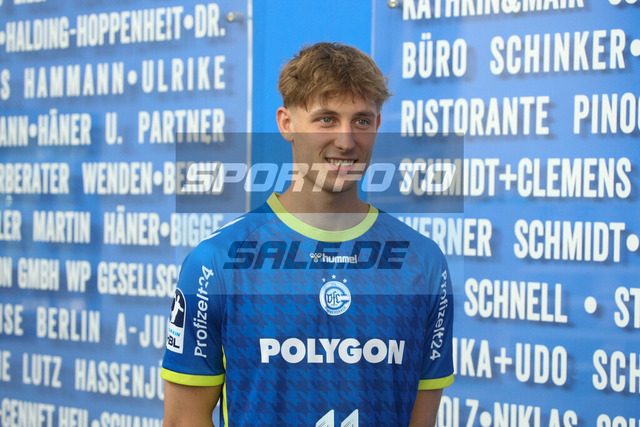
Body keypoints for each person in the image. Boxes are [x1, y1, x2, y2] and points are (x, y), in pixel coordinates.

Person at [161, 42, 454, 426]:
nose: (346, 141)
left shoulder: (423, 263)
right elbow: (183, 420)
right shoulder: (216, 262)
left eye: (361, 121)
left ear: (378, 124)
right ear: (286, 123)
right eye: (326, 119)